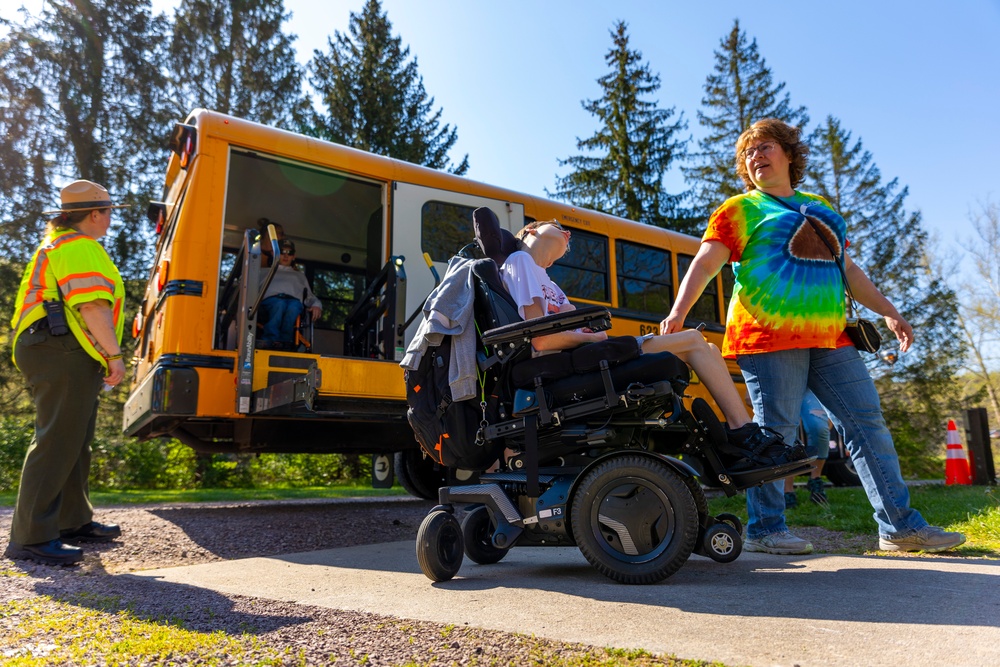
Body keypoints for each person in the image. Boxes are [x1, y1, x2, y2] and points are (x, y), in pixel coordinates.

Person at [661, 117, 965, 555]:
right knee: (776, 433)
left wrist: (890, 312)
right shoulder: (739, 210)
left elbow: (849, 271)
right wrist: (677, 314)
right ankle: (766, 528)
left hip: (832, 338)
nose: (756, 156)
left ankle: (900, 527)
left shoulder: (821, 209)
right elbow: (705, 264)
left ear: (788, 153)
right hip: (767, 337)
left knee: (867, 425)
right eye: (749, 152)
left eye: (765, 146)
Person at [501, 219, 800, 467]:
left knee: (706, 347)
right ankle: (743, 434)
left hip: (585, 355)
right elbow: (541, 338)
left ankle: (739, 436)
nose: (568, 235)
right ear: (531, 230)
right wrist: (588, 337)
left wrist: (589, 336)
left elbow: (584, 329)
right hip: (564, 365)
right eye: (559, 228)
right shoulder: (520, 261)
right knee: (695, 341)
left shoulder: (550, 284)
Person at [5, 180, 128, 566]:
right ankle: (31, 537)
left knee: (75, 438)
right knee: (58, 439)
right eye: (108, 212)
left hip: (56, 346)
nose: (110, 219)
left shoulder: (62, 245)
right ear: (94, 214)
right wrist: (115, 355)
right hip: (60, 348)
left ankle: (72, 520)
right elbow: (92, 306)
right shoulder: (79, 247)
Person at [258, 239, 322, 347]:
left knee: (295, 306)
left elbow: (309, 296)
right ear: (274, 253)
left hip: (293, 302)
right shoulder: (262, 272)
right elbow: (245, 284)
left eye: (289, 253)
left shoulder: (300, 276)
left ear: (293, 256)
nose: (285, 256)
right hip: (268, 304)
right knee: (279, 304)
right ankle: (270, 340)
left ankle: (285, 342)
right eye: (282, 252)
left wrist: (317, 305)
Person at [784, 390, 830, 508]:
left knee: (819, 428)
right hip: (782, 383)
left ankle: (815, 479)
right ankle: (787, 489)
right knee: (788, 434)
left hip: (811, 385)